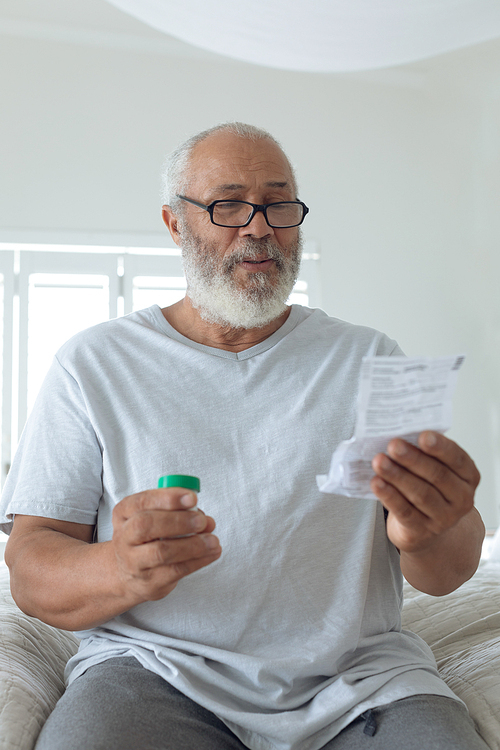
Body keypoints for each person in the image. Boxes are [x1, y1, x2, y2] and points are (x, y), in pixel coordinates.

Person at [1, 122, 487, 750]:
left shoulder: (369, 358)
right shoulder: (93, 364)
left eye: (279, 204)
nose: (258, 227)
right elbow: (32, 566)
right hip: (159, 672)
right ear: (176, 225)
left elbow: (446, 572)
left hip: (359, 683)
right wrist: (119, 566)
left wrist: (433, 529)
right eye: (227, 205)